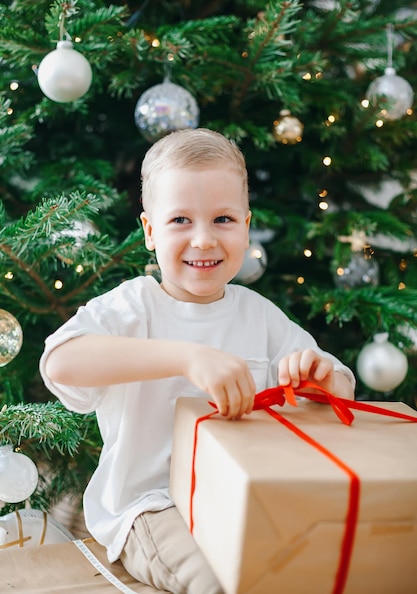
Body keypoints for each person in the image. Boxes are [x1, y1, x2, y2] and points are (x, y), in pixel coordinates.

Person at [40, 127, 355, 594]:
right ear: (150, 231)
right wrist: (187, 357)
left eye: (223, 219)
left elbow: (340, 390)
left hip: (246, 499)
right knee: (222, 580)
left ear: (246, 226)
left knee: (306, 568)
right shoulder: (133, 306)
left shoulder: (258, 314)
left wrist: (319, 375)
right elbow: (60, 363)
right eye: (181, 220)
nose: (204, 239)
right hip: (151, 507)